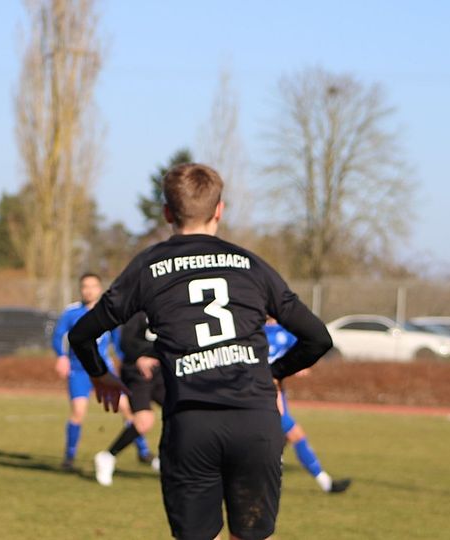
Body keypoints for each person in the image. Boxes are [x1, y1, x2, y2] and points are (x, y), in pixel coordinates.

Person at [68, 163, 333, 540]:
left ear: (167, 213)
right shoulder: (251, 265)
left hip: (191, 424)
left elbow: (81, 334)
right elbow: (318, 338)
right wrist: (274, 373)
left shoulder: (149, 266)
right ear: (220, 210)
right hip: (255, 422)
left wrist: (100, 375)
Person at [52, 273, 152, 470]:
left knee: (127, 409)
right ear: (80, 289)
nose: (89, 290)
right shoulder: (72, 312)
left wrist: (128, 362)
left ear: (100, 289)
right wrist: (61, 356)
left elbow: (119, 342)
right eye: (85, 286)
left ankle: (143, 451)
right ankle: (69, 458)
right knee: (78, 412)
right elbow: (57, 337)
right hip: (79, 371)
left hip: (105, 371)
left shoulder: (107, 312)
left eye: (93, 286)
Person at [265, 318, 351, 494]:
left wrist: (297, 366)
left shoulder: (284, 331)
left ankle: (272, 477)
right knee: (293, 435)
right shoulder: (253, 327)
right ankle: (325, 483)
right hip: (262, 391)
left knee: (283, 438)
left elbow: (301, 351)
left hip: (277, 390)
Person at [94, 312, 166, 486]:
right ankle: (107, 456)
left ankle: (167, 458)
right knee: (144, 421)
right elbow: (126, 343)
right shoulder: (139, 313)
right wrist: (141, 356)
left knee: (183, 412)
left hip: (163, 372)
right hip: (138, 373)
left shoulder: (170, 307)